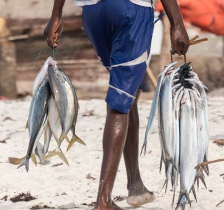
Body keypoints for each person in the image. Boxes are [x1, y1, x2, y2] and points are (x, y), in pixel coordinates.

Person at [44, 0, 189, 209]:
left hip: (93, 13)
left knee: (127, 91)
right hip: (130, 10)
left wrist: (56, 14)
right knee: (120, 100)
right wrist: (177, 23)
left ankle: (135, 183)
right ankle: (103, 201)